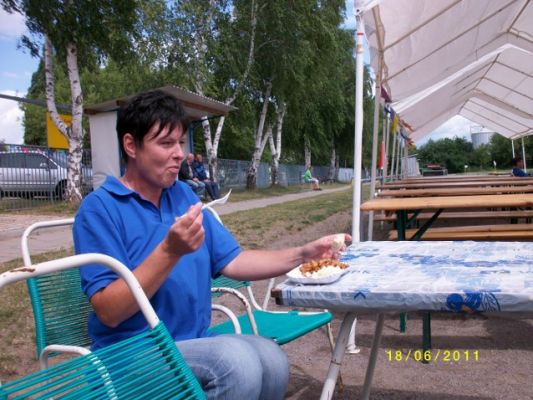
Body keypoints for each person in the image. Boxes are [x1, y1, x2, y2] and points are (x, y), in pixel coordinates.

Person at [73, 90, 350, 400]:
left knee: (273, 360)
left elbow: (234, 261)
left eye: (180, 142)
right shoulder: (100, 209)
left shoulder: (182, 195)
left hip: (192, 342)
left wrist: (302, 253)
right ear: (130, 145)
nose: (179, 153)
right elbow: (109, 311)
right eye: (166, 143)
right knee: (236, 364)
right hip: (130, 354)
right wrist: (169, 251)